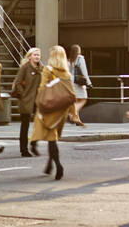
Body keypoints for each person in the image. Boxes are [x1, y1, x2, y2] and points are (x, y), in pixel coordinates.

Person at [32, 45, 76, 180]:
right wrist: (73, 113)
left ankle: (58, 165)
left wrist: (39, 103)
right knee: (53, 138)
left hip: (49, 108)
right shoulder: (67, 74)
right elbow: (71, 94)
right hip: (61, 110)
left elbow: (41, 89)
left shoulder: (47, 70)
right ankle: (50, 165)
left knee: (51, 139)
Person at [11, 48, 44, 157]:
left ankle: (34, 144)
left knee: (39, 123)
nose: (37, 57)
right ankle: (24, 149)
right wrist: (23, 94)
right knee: (25, 125)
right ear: (29, 56)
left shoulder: (41, 68)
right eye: (35, 55)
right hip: (26, 100)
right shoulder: (24, 68)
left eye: (38, 55)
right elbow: (18, 82)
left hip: (37, 100)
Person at [68, 44, 90, 127]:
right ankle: (72, 114)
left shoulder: (69, 60)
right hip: (78, 82)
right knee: (84, 98)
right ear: (78, 51)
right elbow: (84, 72)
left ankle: (77, 120)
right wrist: (89, 82)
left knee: (76, 101)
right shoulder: (80, 58)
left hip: (70, 82)